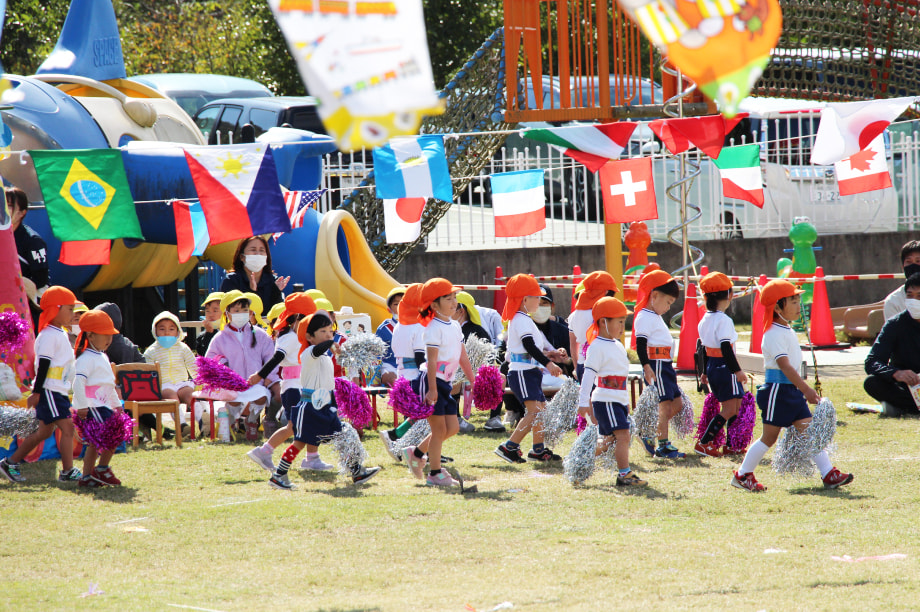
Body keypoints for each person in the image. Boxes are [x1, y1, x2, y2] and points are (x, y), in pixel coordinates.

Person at [732, 280, 853, 492]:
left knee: (810, 432)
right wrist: (806, 389)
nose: (800, 305)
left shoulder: (784, 328)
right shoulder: (773, 333)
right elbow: (785, 366)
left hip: (791, 392)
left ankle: (828, 474)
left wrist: (801, 389)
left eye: (799, 300)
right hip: (777, 392)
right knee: (768, 438)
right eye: (794, 301)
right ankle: (743, 475)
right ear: (777, 308)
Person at [268, 311, 381, 490]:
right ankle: (279, 475)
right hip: (310, 407)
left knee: (344, 434)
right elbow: (319, 349)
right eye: (323, 331)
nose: (329, 335)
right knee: (299, 442)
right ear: (309, 337)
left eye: (330, 331)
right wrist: (332, 343)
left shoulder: (323, 356)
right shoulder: (308, 353)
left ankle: (356, 471)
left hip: (325, 406)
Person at [400, 278, 476, 487]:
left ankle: (415, 453)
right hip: (432, 381)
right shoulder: (433, 328)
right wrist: (432, 389)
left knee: (451, 428)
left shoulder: (454, 325)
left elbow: (462, 356)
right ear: (434, 305)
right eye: (448, 298)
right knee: (439, 430)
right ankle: (434, 473)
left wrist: (473, 379)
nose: (454, 302)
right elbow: (431, 360)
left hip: (446, 383)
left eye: (454, 298)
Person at [0, 287, 81, 483]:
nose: (73, 314)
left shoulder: (59, 333)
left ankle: (10, 462)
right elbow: (43, 365)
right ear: (56, 308)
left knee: (44, 431)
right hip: (49, 390)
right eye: (69, 309)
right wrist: (37, 393)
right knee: (68, 427)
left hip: (56, 390)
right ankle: (67, 471)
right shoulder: (48, 335)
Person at [247, 293, 335, 472]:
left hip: (304, 386)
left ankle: (312, 458)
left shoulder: (298, 336)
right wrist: (260, 375)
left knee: (310, 422)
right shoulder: (289, 337)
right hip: (294, 388)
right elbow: (276, 358)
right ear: (296, 318)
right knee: (294, 426)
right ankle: (265, 451)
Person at [577, 297, 647, 486]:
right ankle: (624, 474)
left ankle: (578, 463)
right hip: (606, 400)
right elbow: (588, 376)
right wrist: (583, 402)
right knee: (623, 435)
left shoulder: (616, 345)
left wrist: (625, 401)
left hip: (617, 400)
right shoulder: (596, 347)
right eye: (619, 322)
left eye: (624, 322)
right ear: (603, 322)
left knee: (608, 440)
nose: (622, 326)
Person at [495, 275, 564, 463]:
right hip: (522, 373)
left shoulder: (523, 318)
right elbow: (529, 346)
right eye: (537, 298)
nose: (540, 302)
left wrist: (549, 358)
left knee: (540, 409)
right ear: (524, 299)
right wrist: (549, 364)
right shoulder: (521, 318)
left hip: (529, 372)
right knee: (534, 411)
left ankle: (538, 450)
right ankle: (509, 446)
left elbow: (532, 348)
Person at [205, 291, 279, 438]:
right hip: (231, 384)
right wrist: (224, 369)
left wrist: (269, 376)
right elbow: (210, 359)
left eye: (245, 310)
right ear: (227, 313)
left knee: (262, 396)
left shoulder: (259, 334)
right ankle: (231, 422)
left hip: (255, 382)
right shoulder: (220, 338)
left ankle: (251, 422)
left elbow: (271, 357)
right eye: (236, 310)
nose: (241, 314)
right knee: (232, 400)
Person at [633, 270, 686, 459]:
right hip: (656, 365)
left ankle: (648, 431)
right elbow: (641, 344)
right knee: (664, 404)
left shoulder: (654, 316)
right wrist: (646, 366)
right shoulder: (644, 316)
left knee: (677, 404)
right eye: (668, 302)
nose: (668, 308)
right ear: (654, 295)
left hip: (666, 366)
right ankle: (663, 445)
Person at [695, 272, 748, 458]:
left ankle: (732, 444)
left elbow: (704, 348)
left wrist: (704, 372)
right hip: (726, 368)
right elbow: (726, 348)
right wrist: (738, 371)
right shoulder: (724, 320)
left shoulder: (704, 320)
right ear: (729, 295)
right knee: (730, 409)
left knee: (736, 405)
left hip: (713, 367)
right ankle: (704, 443)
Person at [71, 310, 124, 487]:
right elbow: (78, 382)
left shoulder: (102, 355)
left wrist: (117, 405)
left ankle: (97, 471)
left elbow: (109, 384)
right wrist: (81, 405)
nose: (109, 339)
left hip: (104, 405)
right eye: (105, 334)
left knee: (110, 437)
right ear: (91, 335)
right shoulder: (85, 358)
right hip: (93, 406)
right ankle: (92, 474)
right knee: (100, 440)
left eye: (111, 334)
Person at [378, 283, 427, 456]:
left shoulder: (399, 325)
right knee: (426, 416)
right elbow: (421, 357)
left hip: (402, 375)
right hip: (416, 376)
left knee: (418, 415)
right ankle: (398, 437)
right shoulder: (418, 326)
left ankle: (408, 446)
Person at [864, 273, 920, 417]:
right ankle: (911, 407)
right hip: (908, 387)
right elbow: (872, 361)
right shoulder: (895, 324)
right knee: (872, 382)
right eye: (910, 296)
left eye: (919, 296)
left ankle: (903, 408)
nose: (914, 301)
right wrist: (896, 373)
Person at [143, 311, 198, 440]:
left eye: (171, 329)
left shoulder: (183, 348)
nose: (167, 332)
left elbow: (193, 366)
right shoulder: (151, 351)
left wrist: (201, 382)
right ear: (155, 331)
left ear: (178, 332)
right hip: (163, 385)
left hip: (182, 382)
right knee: (173, 398)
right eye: (162, 329)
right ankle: (183, 425)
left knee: (191, 396)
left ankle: (203, 423)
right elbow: (148, 373)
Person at [8, 187, 49, 325]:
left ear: (22, 213)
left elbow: (41, 278)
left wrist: (17, 284)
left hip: (30, 307)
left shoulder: (33, 241)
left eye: (9, 206)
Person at [568, 271, 618, 380]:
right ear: (605, 293)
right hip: (602, 366)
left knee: (588, 397)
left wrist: (576, 367)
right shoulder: (603, 314)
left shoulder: (574, 315)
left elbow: (573, 345)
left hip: (582, 364)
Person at [220, 236, 289, 311]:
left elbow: (277, 314)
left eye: (262, 250)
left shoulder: (273, 281)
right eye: (253, 250)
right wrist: (252, 292)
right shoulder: (231, 280)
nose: (258, 254)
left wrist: (276, 292)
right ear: (242, 257)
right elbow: (232, 312)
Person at [376, 286, 406, 388]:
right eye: (396, 304)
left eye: (404, 302)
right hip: (390, 366)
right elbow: (377, 355)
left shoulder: (417, 325)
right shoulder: (383, 328)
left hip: (410, 366)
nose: (401, 306)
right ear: (389, 309)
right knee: (392, 378)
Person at [883, 240, 920, 320]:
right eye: (909, 262)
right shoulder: (893, 301)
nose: (913, 266)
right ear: (903, 267)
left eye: (918, 261)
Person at [196, 292, 224, 357]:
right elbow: (204, 356)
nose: (210, 315)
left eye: (215, 311)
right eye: (207, 311)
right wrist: (209, 334)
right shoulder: (201, 337)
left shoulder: (233, 332)